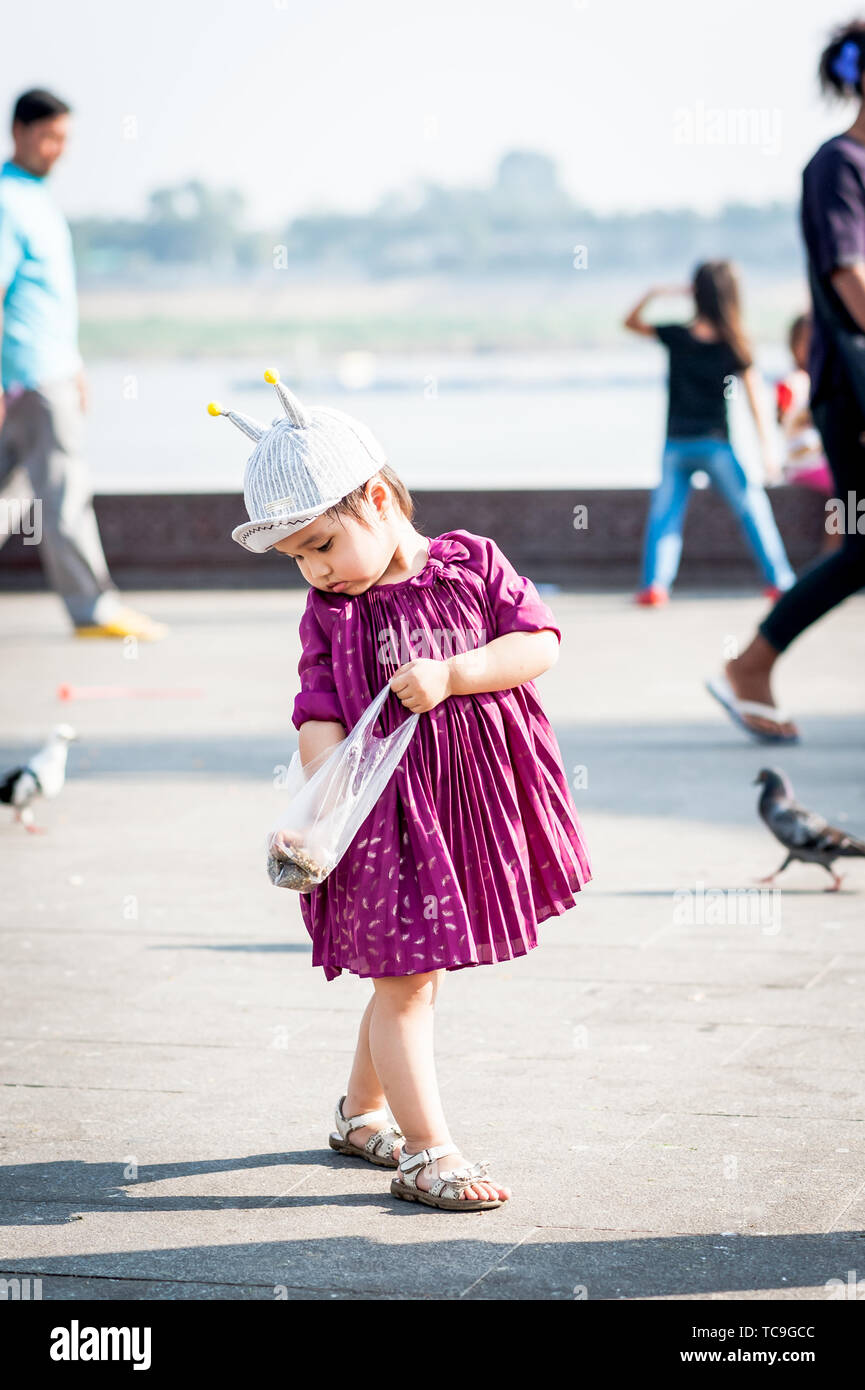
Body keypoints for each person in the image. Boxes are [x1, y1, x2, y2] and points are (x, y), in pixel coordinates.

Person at [211, 369, 593, 1211]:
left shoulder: (472, 566)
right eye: (295, 559)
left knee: (410, 973)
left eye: (319, 544)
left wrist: (458, 673)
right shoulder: (332, 617)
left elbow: (539, 644)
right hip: (387, 821)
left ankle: (360, 1114)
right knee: (406, 976)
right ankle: (429, 1153)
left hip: (470, 806)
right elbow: (315, 711)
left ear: (378, 499)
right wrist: (322, 802)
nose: (313, 571)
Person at [708, 22, 865, 743]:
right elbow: (849, 278)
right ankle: (751, 662)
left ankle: (753, 660)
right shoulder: (837, 165)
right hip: (853, 391)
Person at [0, 88, 165, 639]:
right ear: (20, 131)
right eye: (50, 137)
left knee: (14, 496)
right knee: (63, 490)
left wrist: (73, 367)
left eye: (65, 139)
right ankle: (92, 607)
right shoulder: (7, 198)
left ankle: (91, 604)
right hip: (29, 379)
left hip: (48, 370)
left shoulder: (35, 198)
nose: (58, 150)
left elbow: (45, 298)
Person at [624, 262, 796, 605]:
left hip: (675, 445)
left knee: (665, 517)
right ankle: (780, 581)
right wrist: (767, 452)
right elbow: (756, 403)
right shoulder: (734, 344)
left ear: (697, 293)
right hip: (716, 444)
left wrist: (657, 292)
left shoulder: (677, 335)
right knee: (752, 508)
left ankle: (655, 586)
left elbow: (630, 323)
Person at [776, 314, 840, 556]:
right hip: (804, 464)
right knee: (844, 487)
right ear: (794, 346)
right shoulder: (793, 382)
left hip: (814, 462)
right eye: (807, 341)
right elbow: (785, 415)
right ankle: (833, 552)